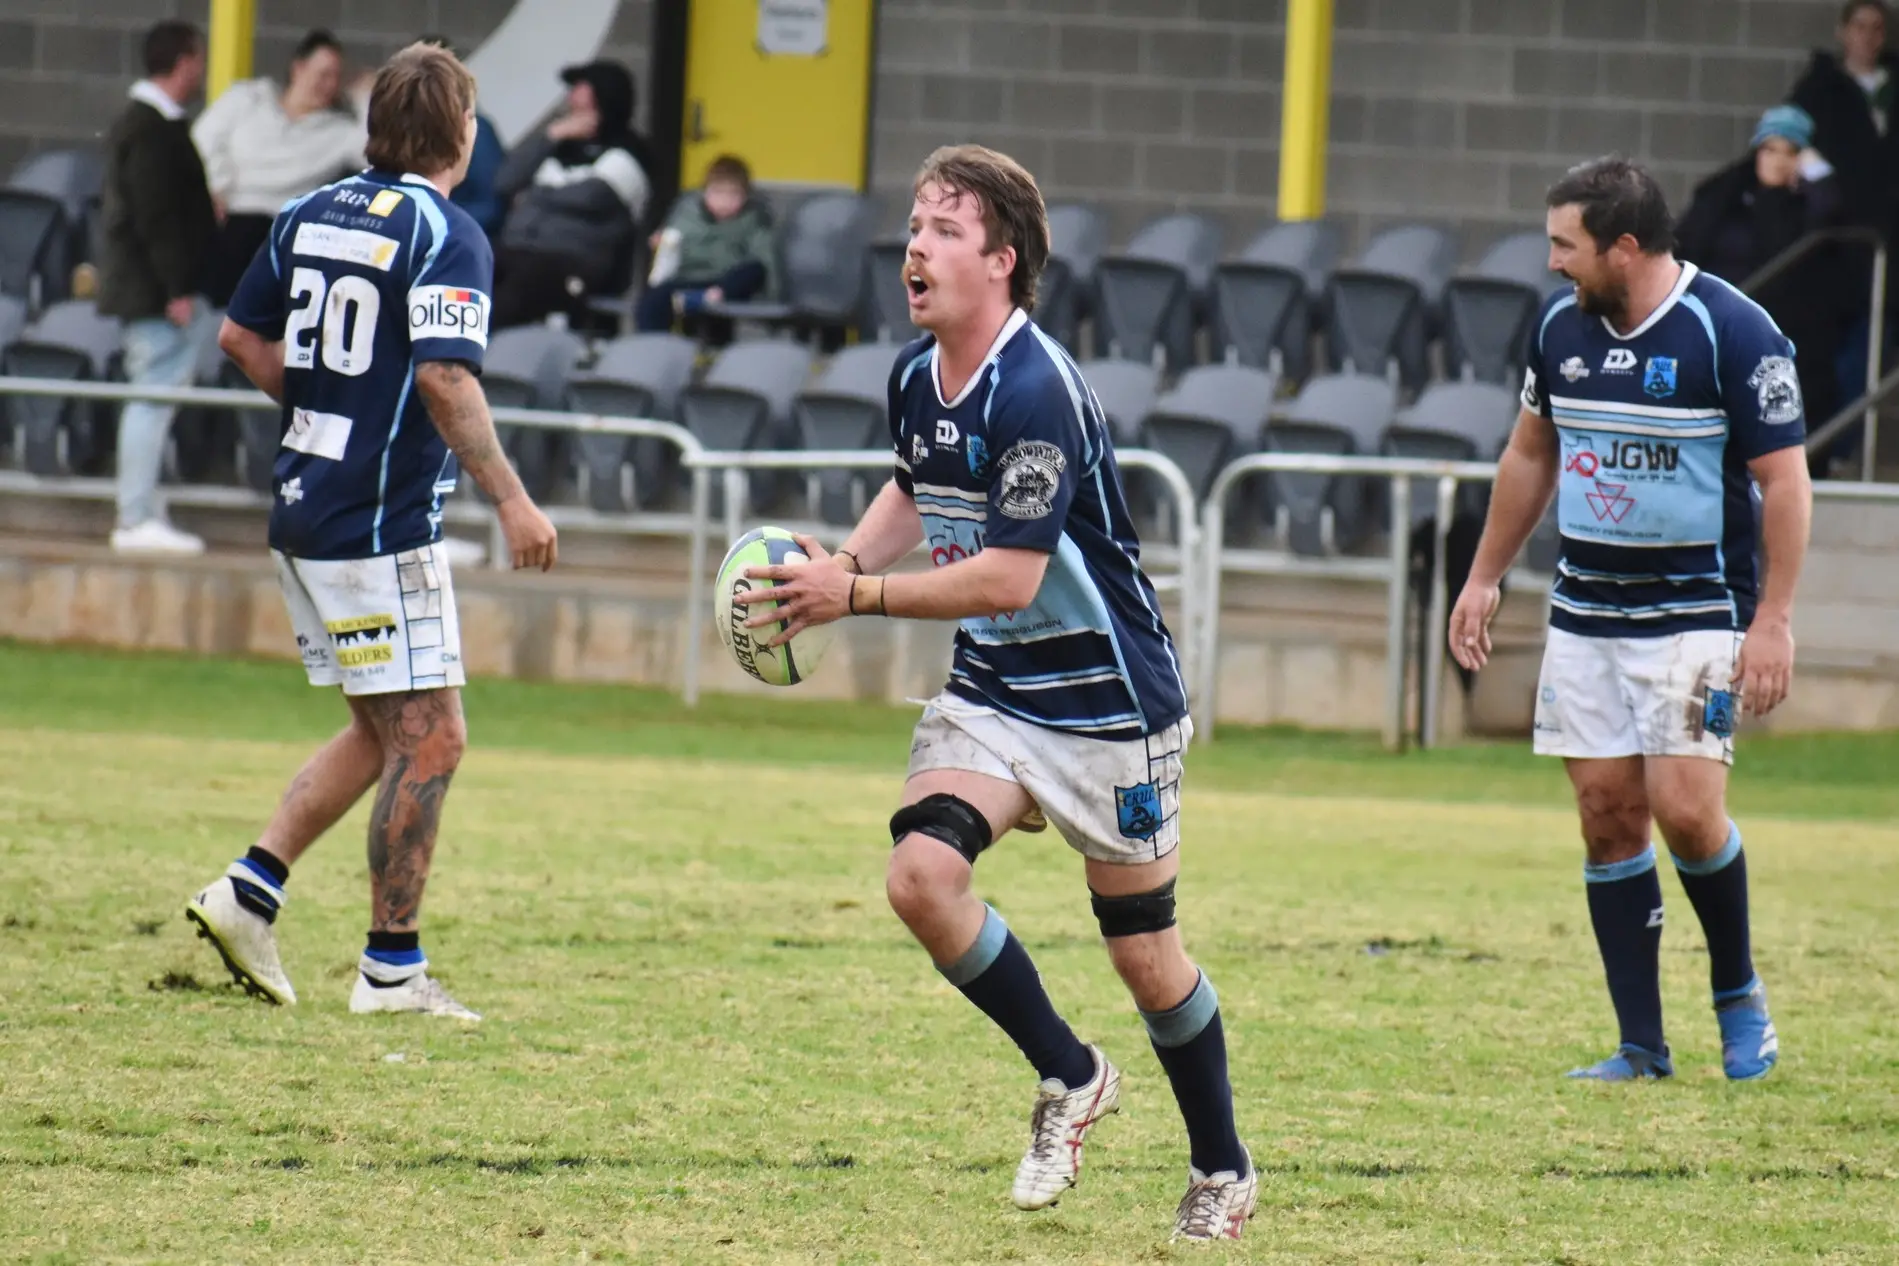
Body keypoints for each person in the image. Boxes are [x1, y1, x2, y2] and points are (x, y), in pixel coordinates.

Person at [734, 145, 1255, 1242]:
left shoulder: (1034, 389)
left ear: (1002, 260)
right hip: (994, 685)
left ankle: (1222, 1168)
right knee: (921, 877)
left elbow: (1010, 576)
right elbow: (916, 484)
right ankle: (1071, 1075)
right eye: (914, 227)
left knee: (1145, 958)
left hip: (1108, 704)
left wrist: (852, 595)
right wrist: (838, 562)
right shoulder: (913, 374)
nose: (914, 249)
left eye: (945, 231)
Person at [183, 41, 559, 1021]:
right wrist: (513, 500)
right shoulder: (447, 233)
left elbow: (239, 336)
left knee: (379, 731)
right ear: (461, 132)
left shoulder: (308, 211)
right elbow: (444, 374)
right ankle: (391, 970)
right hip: (380, 526)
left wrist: (328, 414)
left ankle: (248, 893)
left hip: (304, 504)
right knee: (432, 740)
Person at [1448, 157, 1812, 1084]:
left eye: (1563, 245)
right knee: (1606, 816)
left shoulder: (1732, 331)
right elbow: (1529, 454)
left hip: (1697, 612)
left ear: (1622, 246)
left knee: (1685, 811)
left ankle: (1738, 995)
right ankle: (1641, 1047)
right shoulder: (1558, 331)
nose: (1551, 263)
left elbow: (1784, 482)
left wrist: (1773, 619)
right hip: (1585, 614)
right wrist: (1484, 577)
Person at [96, 20, 219, 556]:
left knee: (157, 393)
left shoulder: (151, 124)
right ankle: (135, 516)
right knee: (152, 394)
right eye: (200, 59)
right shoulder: (149, 129)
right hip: (156, 293)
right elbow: (155, 216)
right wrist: (177, 287)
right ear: (185, 61)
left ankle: (142, 505)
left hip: (158, 289)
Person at [1675, 105, 1850, 450]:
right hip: (1716, 322)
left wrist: (1818, 175)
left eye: (1790, 152)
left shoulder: (1805, 205)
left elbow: (1829, 220)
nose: (1777, 160)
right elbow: (1687, 244)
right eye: (1770, 149)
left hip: (1785, 328)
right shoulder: (1725, 196)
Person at [191, 29, 374, 307]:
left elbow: (375, 154)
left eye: (336, 77)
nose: (329, 84)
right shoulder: (248, 98)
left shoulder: (338, 132)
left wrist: (365, 98)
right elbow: (203, 139)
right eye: (323, 74)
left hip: (280, 230)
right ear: (298, 68)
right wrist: (217, 187)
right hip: (229, 217)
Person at [491, 59, 653, 328]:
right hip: (520, 249)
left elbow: (590, 198)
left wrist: (532, 196)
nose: (570, 99)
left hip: (577, 262)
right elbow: (505, 182)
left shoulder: (629, 153)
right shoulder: (558, 147)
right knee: (471, 262)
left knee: (521, 285)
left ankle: (481, 349)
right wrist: (551, 135)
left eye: (579, 91)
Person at [635, 153, 774, 332]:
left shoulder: (754, 220)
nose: (724, 202)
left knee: (753, 270)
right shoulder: (687, 215)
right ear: (705, 192)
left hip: (727, 282)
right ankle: (654, 342)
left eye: (733, 194)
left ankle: (712, 297)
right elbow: (672, 243)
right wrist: (661, 244)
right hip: (690, 278)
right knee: (654, 300)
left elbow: (764, 258)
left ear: (745, 196)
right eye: (718, 193)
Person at [418, 34, 506, 238]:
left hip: (455, 239)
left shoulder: (475, 132)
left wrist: (438, 227)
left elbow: (490, 205)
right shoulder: (401, 127)